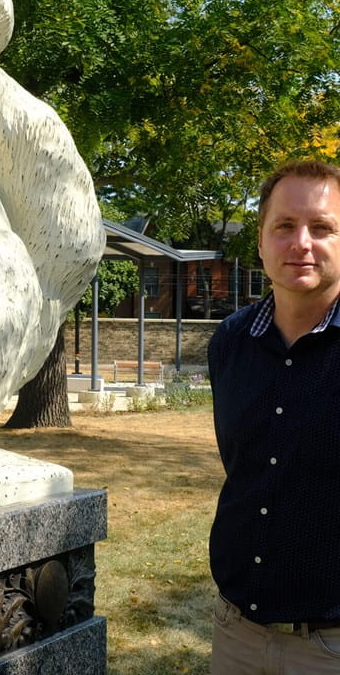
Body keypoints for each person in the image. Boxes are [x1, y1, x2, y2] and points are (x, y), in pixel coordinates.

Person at [208, 159, 340, 673]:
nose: (300, 243)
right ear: (260, 241)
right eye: (284, 226)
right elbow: (240, 466)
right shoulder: (231, 342)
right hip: (234, 632)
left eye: (322, 227)